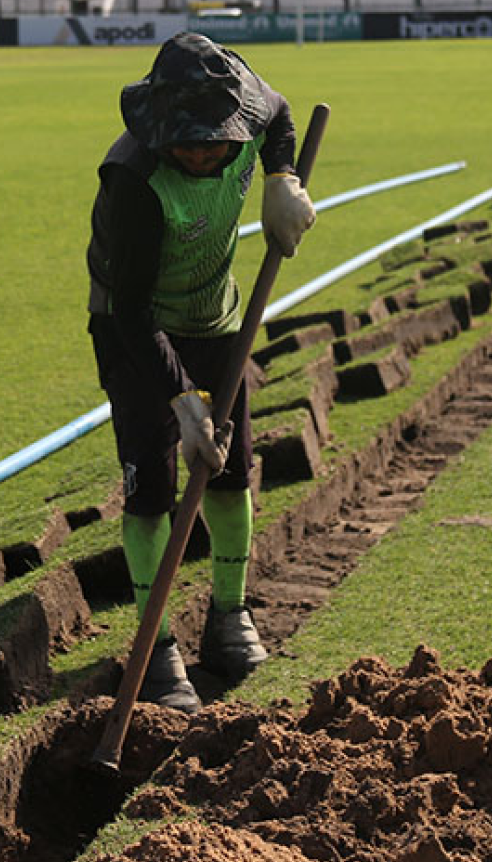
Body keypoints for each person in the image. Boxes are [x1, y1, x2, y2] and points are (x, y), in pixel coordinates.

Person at [85, 32, 316, 713]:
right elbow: (132, 311)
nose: (200, 154)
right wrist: (183, 403)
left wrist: (280, 179)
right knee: (152, 487)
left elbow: (281, 113)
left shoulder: (249, 114)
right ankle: (155, 646)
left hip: (216, 319)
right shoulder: (133, 179)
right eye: (185, 144)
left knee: (230, 469)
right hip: (135, 329)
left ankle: (229, 615)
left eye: (213, 143)